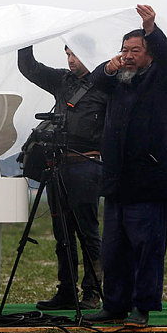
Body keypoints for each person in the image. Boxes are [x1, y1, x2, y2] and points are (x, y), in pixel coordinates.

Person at [83, 5, 167, 328]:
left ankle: (142, 308)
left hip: (148, 181)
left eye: (135, 50)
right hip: (116, 183)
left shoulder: (161, 78)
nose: (127, 55)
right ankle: (114, 305)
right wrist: (108, 67)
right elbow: (96, 81)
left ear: (148, 55)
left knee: (146, 249)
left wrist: (151, 28)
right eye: (123, 50)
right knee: (114, 250)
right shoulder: (118, 81)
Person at [17, 42, 107, 310]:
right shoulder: (61, 80)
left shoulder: (105, 84)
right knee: (62, 232)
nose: (70, 59)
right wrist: (26, 39)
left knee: (87, 232)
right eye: (67, 54)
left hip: (87, 164)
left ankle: (92, 292)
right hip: (58, 165)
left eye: (75, 54)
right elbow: (29, 68)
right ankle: (66, 291)